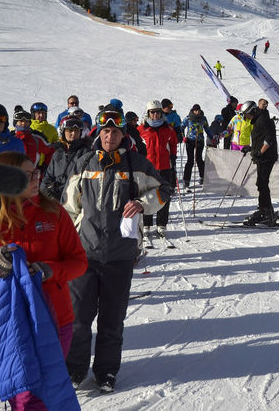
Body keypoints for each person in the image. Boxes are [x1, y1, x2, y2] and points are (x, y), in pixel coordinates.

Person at [0, 151, 88, 409]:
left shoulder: (54, 212)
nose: (37, 179)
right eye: (27, 175)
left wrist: (50, 270)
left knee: (38, 397)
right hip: (8, 327)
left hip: (55, 322)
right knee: (19, 396)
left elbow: (79, 262)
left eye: (35, 172)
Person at [63, 105, 170, 393]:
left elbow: (163, 190)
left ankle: (107, 372)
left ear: (123, 134)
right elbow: (69, 208)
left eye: (116, 131)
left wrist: (142, 204)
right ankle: (74, 369)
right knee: (78, 318)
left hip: (120, 254)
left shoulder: (137, 163)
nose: (111, 136)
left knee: (112, 320)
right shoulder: (84, 163)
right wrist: (67, 243)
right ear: (99, 132)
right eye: (106, 131)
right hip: (84, 254)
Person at [139, 100, 179, 239]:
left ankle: (161, 225)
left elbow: (173, 143)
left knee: (164, 196)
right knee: (146, 196)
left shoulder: (168, 128)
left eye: (158, 112)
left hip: (165, 167)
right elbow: (137, 146)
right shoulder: (142, 129)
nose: (155, 114)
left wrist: (173, 155)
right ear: (148, 113)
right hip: (147, 168)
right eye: (153, 112)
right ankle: (146, 224)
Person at [240, 101, 278, 226]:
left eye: (246, 115)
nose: (246, 118)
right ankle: (266, 211)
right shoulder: (260, 119)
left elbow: (268, 140)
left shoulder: (263, 120)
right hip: (263, 157)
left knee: (262, 183)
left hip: (266, 157)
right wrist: (251, 148)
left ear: (252, 111)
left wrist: (260, 153)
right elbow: (260, 139)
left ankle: (266, 213)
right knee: (261, 183)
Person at [41, 117, 92, 201]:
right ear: (63, 132)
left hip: (73, 202)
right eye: (70, 130)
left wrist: (63, 198)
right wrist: (50, 197)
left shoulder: (85, 153)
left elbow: (84, 183)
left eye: (77, 131)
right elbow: (47, 179)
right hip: (52, 200)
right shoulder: (58, 153)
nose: (73, 133)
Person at [182, 104, 212, 190]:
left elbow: (207, 129)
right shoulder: (188, 118)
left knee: (199, 159)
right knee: (190, 160)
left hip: (199, 140)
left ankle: (202, 177)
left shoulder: (203, 118)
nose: (197, 112)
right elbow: (181, 127)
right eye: (195, 110)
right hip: (190, 141)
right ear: (193, 110)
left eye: (198, 110)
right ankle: (186, 180)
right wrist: (183, 136)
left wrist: (212, 137)